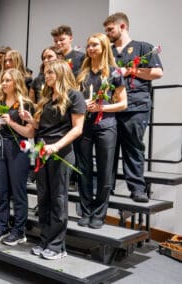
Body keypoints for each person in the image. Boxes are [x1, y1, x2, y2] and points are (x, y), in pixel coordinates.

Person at [21, 60, 85, 259]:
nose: (46, 76)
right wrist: (31, 121)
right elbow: (44, 128)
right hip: (42, 151)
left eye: (50, 72)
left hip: (60, 153)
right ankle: (46, 240)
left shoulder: (75, 96)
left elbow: (77, 129)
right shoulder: (47, 99)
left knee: (58, 199)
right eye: (46, 72)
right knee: (44, 198)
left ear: (61, 73)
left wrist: (57, 146)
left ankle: (58, 246)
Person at [103, 12, 163, 202]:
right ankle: (106, 188)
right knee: (108, 149)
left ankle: (137, 189)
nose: (108, 34)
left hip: (136, 106)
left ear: (123, 27)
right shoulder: (108, 52)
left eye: (110, 29)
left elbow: (157, 72)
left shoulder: (143, 47)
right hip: (111, 107)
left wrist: (130, 71)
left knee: (133, 147)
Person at [75, 33, 127, 229]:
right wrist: (83, 103)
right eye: (89, 45)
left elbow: (123, 104)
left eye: (95, 45)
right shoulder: (81, 73)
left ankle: (99, 213)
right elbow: (75, 99)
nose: (91, 48)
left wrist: (101, 108)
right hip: (85, 126)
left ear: (104, 47)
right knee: (84, 171)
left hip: (106, 125)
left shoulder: (114, 72)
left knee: (105, 171)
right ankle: (86, 211)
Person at [0, 69, 35, 244]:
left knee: (18, 191)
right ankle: (2, 225)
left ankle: (19, 230)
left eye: (8, 80)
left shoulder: (26, 104)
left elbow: (29, 132)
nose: (4, 83)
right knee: (1, 190)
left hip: (18, 149)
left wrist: (11, 122)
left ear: (16, 82)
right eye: (3, 80)